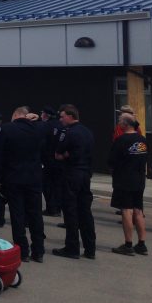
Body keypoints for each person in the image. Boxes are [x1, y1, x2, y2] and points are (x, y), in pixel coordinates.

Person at [0, 106, 46, 262]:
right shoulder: (38, 130)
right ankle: (39, 250)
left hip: (14, 177)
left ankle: (22, 250)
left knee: (17, 214)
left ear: (15, 115)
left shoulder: (7, 129)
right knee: (36, 214)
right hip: (34, 177)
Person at [52, 104, 97, 260]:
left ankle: (72, 248)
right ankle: (90, 248)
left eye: (62, 116)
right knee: (85, 211)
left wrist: (65, 155)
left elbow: (58, 153)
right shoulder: (88, 132)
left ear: (70, 116)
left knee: (71, 211)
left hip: (72, 174)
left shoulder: (69, 133)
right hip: (86, 174)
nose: (60, 119)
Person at [109, 113, 148, 256]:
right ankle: (142, 244)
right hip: (139, 180)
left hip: (124, 180)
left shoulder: (121, 141)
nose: (118, 122)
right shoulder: (142, 140)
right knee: (138, 210)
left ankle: (128, 244)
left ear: (125, 124)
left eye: (120, 120)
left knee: (127, 210)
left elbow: (111, 161)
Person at [41, 105, 64, 216]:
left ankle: (51, 208)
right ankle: (58, 208)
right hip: (60, 161)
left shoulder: (46, 126)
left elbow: (43, 143)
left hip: (49, 160)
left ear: (46, 115)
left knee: (47, 185)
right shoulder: (60, 125)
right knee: (58, 185)